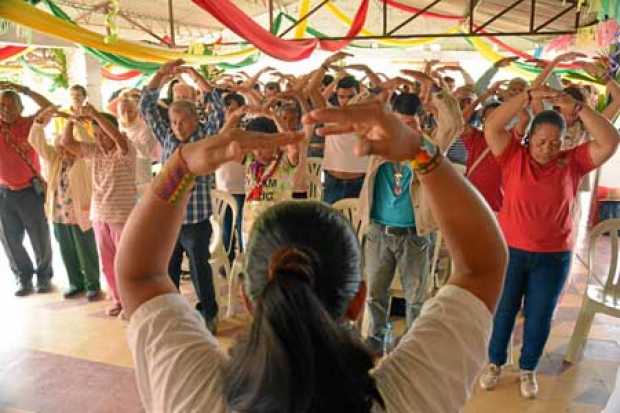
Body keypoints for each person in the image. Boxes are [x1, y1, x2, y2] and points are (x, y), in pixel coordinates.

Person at [117, 99, 508, 413]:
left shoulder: (195, 394)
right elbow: (482, 266)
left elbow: (140, 275)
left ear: (252, 300)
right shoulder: (407, 397)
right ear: (358, 299)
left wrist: (181, 165)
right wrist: (422, 153)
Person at [479, 87, 620, 399]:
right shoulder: (512, 156)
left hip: (553, 257)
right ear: (528, 139)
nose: (547, 149)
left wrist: (578, 108)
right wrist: (525, 97)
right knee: (504, 311)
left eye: (555, 143)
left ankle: (528, 368)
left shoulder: (573, 162)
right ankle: (494, 363)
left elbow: (610, 141)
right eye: (541, 142)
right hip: (511, 253)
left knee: (540, 316)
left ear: (565, 141)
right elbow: (492, 126)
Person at [358, 90, 462, 353]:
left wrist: (437, 93)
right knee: (375, 293)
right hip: (379, 232)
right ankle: (377, 336)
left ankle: (413, 343)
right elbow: (356, 115)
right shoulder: (377, 143)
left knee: (416, 298)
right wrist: (378, 94)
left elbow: (453, 125)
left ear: (420, 123)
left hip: (414, 235)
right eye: (399, 124)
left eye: (411, 125)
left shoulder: (427, 148)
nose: (405, 132)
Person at [140, 59, 224, 333]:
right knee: (168, 269)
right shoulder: (166, 137)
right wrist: (160, 75)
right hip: (167, 219)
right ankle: (172, 313)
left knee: (200, 269)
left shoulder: (205, 135)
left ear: (195, 119)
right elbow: (146, 106)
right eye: (174, 121)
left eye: (183, 121)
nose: (177, 126)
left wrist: (196, 76)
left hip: (196, 221)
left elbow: (219, 109)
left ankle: (209, 313)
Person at [61, 104, 137, 316]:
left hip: (121, 216)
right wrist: (72, 119)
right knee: (107, 264)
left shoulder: (126, 149)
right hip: (99, 215)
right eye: (96, 135)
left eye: (104, 134)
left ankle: (131, 302)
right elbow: (66, 142)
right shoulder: (94, 152)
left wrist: (94, 114)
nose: (100, 139)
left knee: (125, 263)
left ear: (115, 132)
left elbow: (118, 140)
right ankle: (118, 299)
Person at [28, 106, 101, 300]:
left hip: (80, 215)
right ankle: (75, 283)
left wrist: (73, 121)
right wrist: (40, 122)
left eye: (67, 146)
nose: (63, 150)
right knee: (67, 252)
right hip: (59, 215)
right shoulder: (55, 160)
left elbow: (87, 140)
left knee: (87, 251)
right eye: (60, 145)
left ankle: (92, 284)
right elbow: (36, 142)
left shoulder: (85, 160)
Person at [0, 82, 54, 296]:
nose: (5, 109)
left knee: (39, 237)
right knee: (10, 240)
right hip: (3, 193)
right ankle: (23, 277)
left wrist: (26, 90)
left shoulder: (30, 124)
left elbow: (50, 108)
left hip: (29, 191)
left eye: (10, 106)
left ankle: (43, 276)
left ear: (20, 108)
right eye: (1, 105)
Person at [116, 91, 158, 196]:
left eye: (130, 111)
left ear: (137, 111)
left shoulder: (145, 128)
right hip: (122, 176)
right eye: (123, 111)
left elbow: (146, 153)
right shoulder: (117, 127)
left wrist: (127, 141)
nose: (126, 115)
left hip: (141, 175)